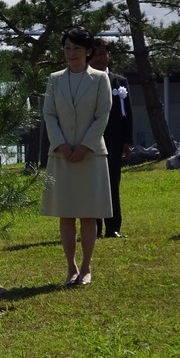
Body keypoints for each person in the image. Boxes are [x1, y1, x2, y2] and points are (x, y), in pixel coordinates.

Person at [41, 27, 113, 287]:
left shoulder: (100, 79)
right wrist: (60, 144)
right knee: (66, 213)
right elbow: (49, 114)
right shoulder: (55, 79)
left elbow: (102, 115)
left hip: (91, 154)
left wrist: (85, 146)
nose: (71, 53)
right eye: (67, 48)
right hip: (61, 154)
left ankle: (86, 266)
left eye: (77, 49)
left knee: (89, 213)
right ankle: (70, 266)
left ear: (88, 51)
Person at [90, 39, 134, 238]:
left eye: (102, 54)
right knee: (92, 186)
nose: (99, 58)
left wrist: (127, 141)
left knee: (112, 184)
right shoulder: (85, 80)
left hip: (114, 142)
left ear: (110, 55)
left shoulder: (119, 82)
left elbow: (127, 114)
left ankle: (113, 227)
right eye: (95, 54)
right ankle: (94, 228)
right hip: (90, 142)